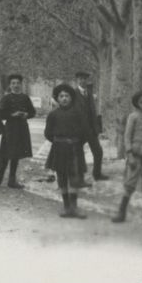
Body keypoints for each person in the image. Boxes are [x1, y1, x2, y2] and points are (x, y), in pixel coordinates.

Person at [111, 89, 142, 223]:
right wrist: (129, 154)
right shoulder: (133, 117)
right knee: (130, 183)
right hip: (136, 153)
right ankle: (121, 212)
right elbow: (127, 137)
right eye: (141, 102)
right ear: (138, 104)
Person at [44, 83, 89, 219]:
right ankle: (66, 206)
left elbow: (85, 133)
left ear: (71, 98)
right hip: (59, 149)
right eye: (61, 96)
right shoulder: (53, 115)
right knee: (62, 177)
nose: (64, 98)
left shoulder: (78, 113)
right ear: (57, 98)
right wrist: (59, 141)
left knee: (74, 177)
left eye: (67, 96)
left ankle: (74, 207)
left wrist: (75, 142)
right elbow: (48, 133)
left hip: (75, 149)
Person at [0, 75, 36, 188]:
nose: (16, 85)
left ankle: (12, 180)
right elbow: (0, 114)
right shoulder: (6, 98)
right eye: (13, 83)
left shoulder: (25, 98)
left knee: (16, 154)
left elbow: (33, 112)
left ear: (21, 84)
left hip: (22, 128)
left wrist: (27, 115)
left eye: (18, 83)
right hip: (10, 128)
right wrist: (12, 115)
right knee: (5, 154)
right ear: (10, 85)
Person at [73, 71, 109, 182]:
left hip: (91, 129)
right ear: (77, 80)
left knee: (98, 151)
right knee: (79, 154)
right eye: (80, 79)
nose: (82, 81)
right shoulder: (73, 93)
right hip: (79, 130)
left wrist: (96, 128)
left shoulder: (89, 93)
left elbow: (93, 112)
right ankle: (80, 178)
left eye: (84, 79)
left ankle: (97, 174)